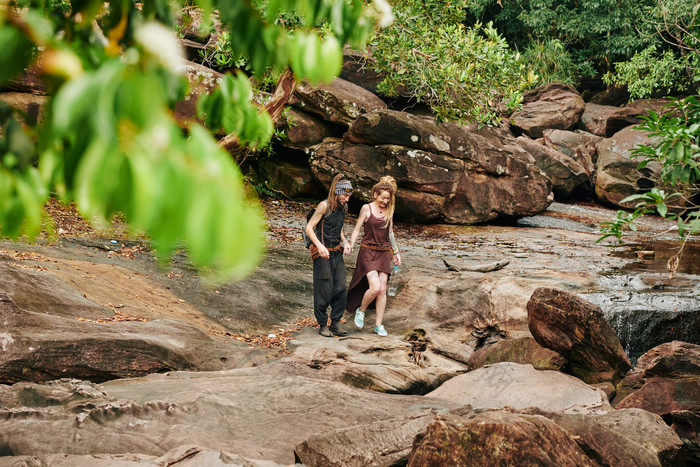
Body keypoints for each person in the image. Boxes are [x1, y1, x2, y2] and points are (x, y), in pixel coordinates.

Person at [346, 176, 401, 337]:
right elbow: (356, 229)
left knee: (382, 290)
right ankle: (361, 310)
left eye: (387, 199)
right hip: (367, 251)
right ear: (375, 194)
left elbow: (390, 233)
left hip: (384, 252)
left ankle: (378, 325)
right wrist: (351, 243)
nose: (385, 201)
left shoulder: (389, 210)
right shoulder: (366, 208)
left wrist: (396, 252)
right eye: (383, 197)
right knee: (375, 287)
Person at [306, 174, 353, 337]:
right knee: (324, 289)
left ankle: (335, 323)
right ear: (337, 192)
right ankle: (322, 324)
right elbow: (309, 227)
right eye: (345, 195)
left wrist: (345, 242)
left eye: (349, 196)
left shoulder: (344, 208)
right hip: (322, 253)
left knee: (341, 288)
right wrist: (319, 246)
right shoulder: (323, 206)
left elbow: (338, 228)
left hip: (336, 252)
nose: (347, 199)